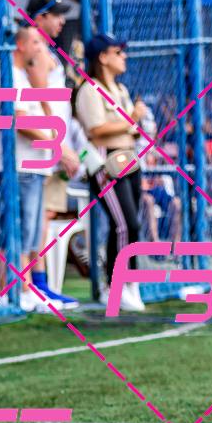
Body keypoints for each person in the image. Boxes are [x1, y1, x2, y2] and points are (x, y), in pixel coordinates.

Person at [74, 33, 146, 311]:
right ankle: (115, 285)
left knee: (129, 225)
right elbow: (96, 130)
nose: (123, 57)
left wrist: (136, 127)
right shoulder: (90, 90)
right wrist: (132, 119)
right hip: (107, 162)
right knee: (127, 224)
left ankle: (130, 282)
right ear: (103, 57)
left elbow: (127, 128)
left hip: (128, 158)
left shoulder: (120, 89)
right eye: (118, 52)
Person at [25, 0, 82, 309]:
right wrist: (58, 146)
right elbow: (39, 102)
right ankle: (37, 286)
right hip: (45, 148)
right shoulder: (36, 51)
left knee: (43, 216)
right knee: (39, 217)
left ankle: (41, 285)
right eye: (55, 15)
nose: (61, 21)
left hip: (53, 146)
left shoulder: (47, 51)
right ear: (40, 18)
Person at [10, 26, 64, 313]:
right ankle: (22, 289)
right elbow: (21, 121)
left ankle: (28, 288)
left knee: (31, 232)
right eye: (35, 42)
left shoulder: (26, 78)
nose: (41, 47)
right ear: (20, 45)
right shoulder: (13, 75)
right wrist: (53, 142)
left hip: (35, 164)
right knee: (23, 230)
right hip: (22, 164)